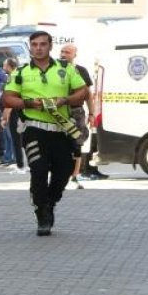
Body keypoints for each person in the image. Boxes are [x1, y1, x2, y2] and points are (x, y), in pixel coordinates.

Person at [2, 31, 87, 235]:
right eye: (34, 44)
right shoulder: (20, 72)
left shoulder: (66, 69)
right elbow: (7, 98)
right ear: (30, 47)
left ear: (50, 46)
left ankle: (50, 202)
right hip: (34, 129)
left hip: (61, 129)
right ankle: (41, 213)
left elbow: (83, 92)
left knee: (64, 171)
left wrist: (64, 100)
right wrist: (28, 103)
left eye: (42, 44)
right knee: (39, 170)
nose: (38, 48)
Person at [59, 43, 95, 188]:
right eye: (62, 51)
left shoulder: (81, 71)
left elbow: (88, 95)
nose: (63, 54)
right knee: (58, 143)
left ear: (74, 55)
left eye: (67, 52)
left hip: (76, 111)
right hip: (59, 112)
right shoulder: (54, 69)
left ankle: (75, 176)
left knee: (76, 143)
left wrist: (92, 113)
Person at [0, 57, 24, 170]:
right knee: (16, 138)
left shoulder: (13, 77)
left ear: (10, 66)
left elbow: (11, 98)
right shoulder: (16, 75)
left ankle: (19, 163)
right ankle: (19, 162)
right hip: (17, 111)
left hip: (14, 112)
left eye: (4, 65)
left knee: (16, 139)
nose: (3, 67)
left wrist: (5, 116)